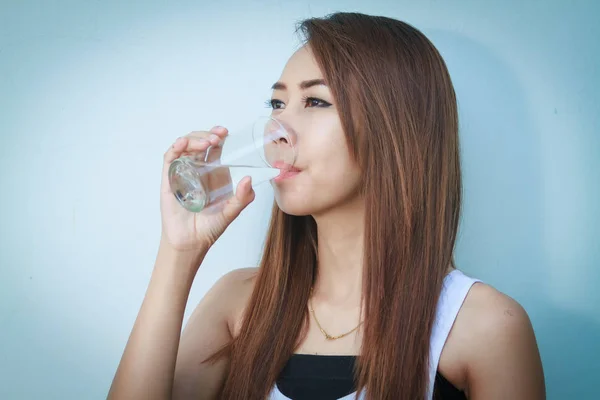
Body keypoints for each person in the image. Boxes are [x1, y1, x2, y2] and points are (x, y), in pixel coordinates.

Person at [108, 12, 545, 400]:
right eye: (277, 104)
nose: (278, 130)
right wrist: (179, 253)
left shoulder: (485, 327)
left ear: (395, 129)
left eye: (315, 102)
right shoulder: (238, 305)